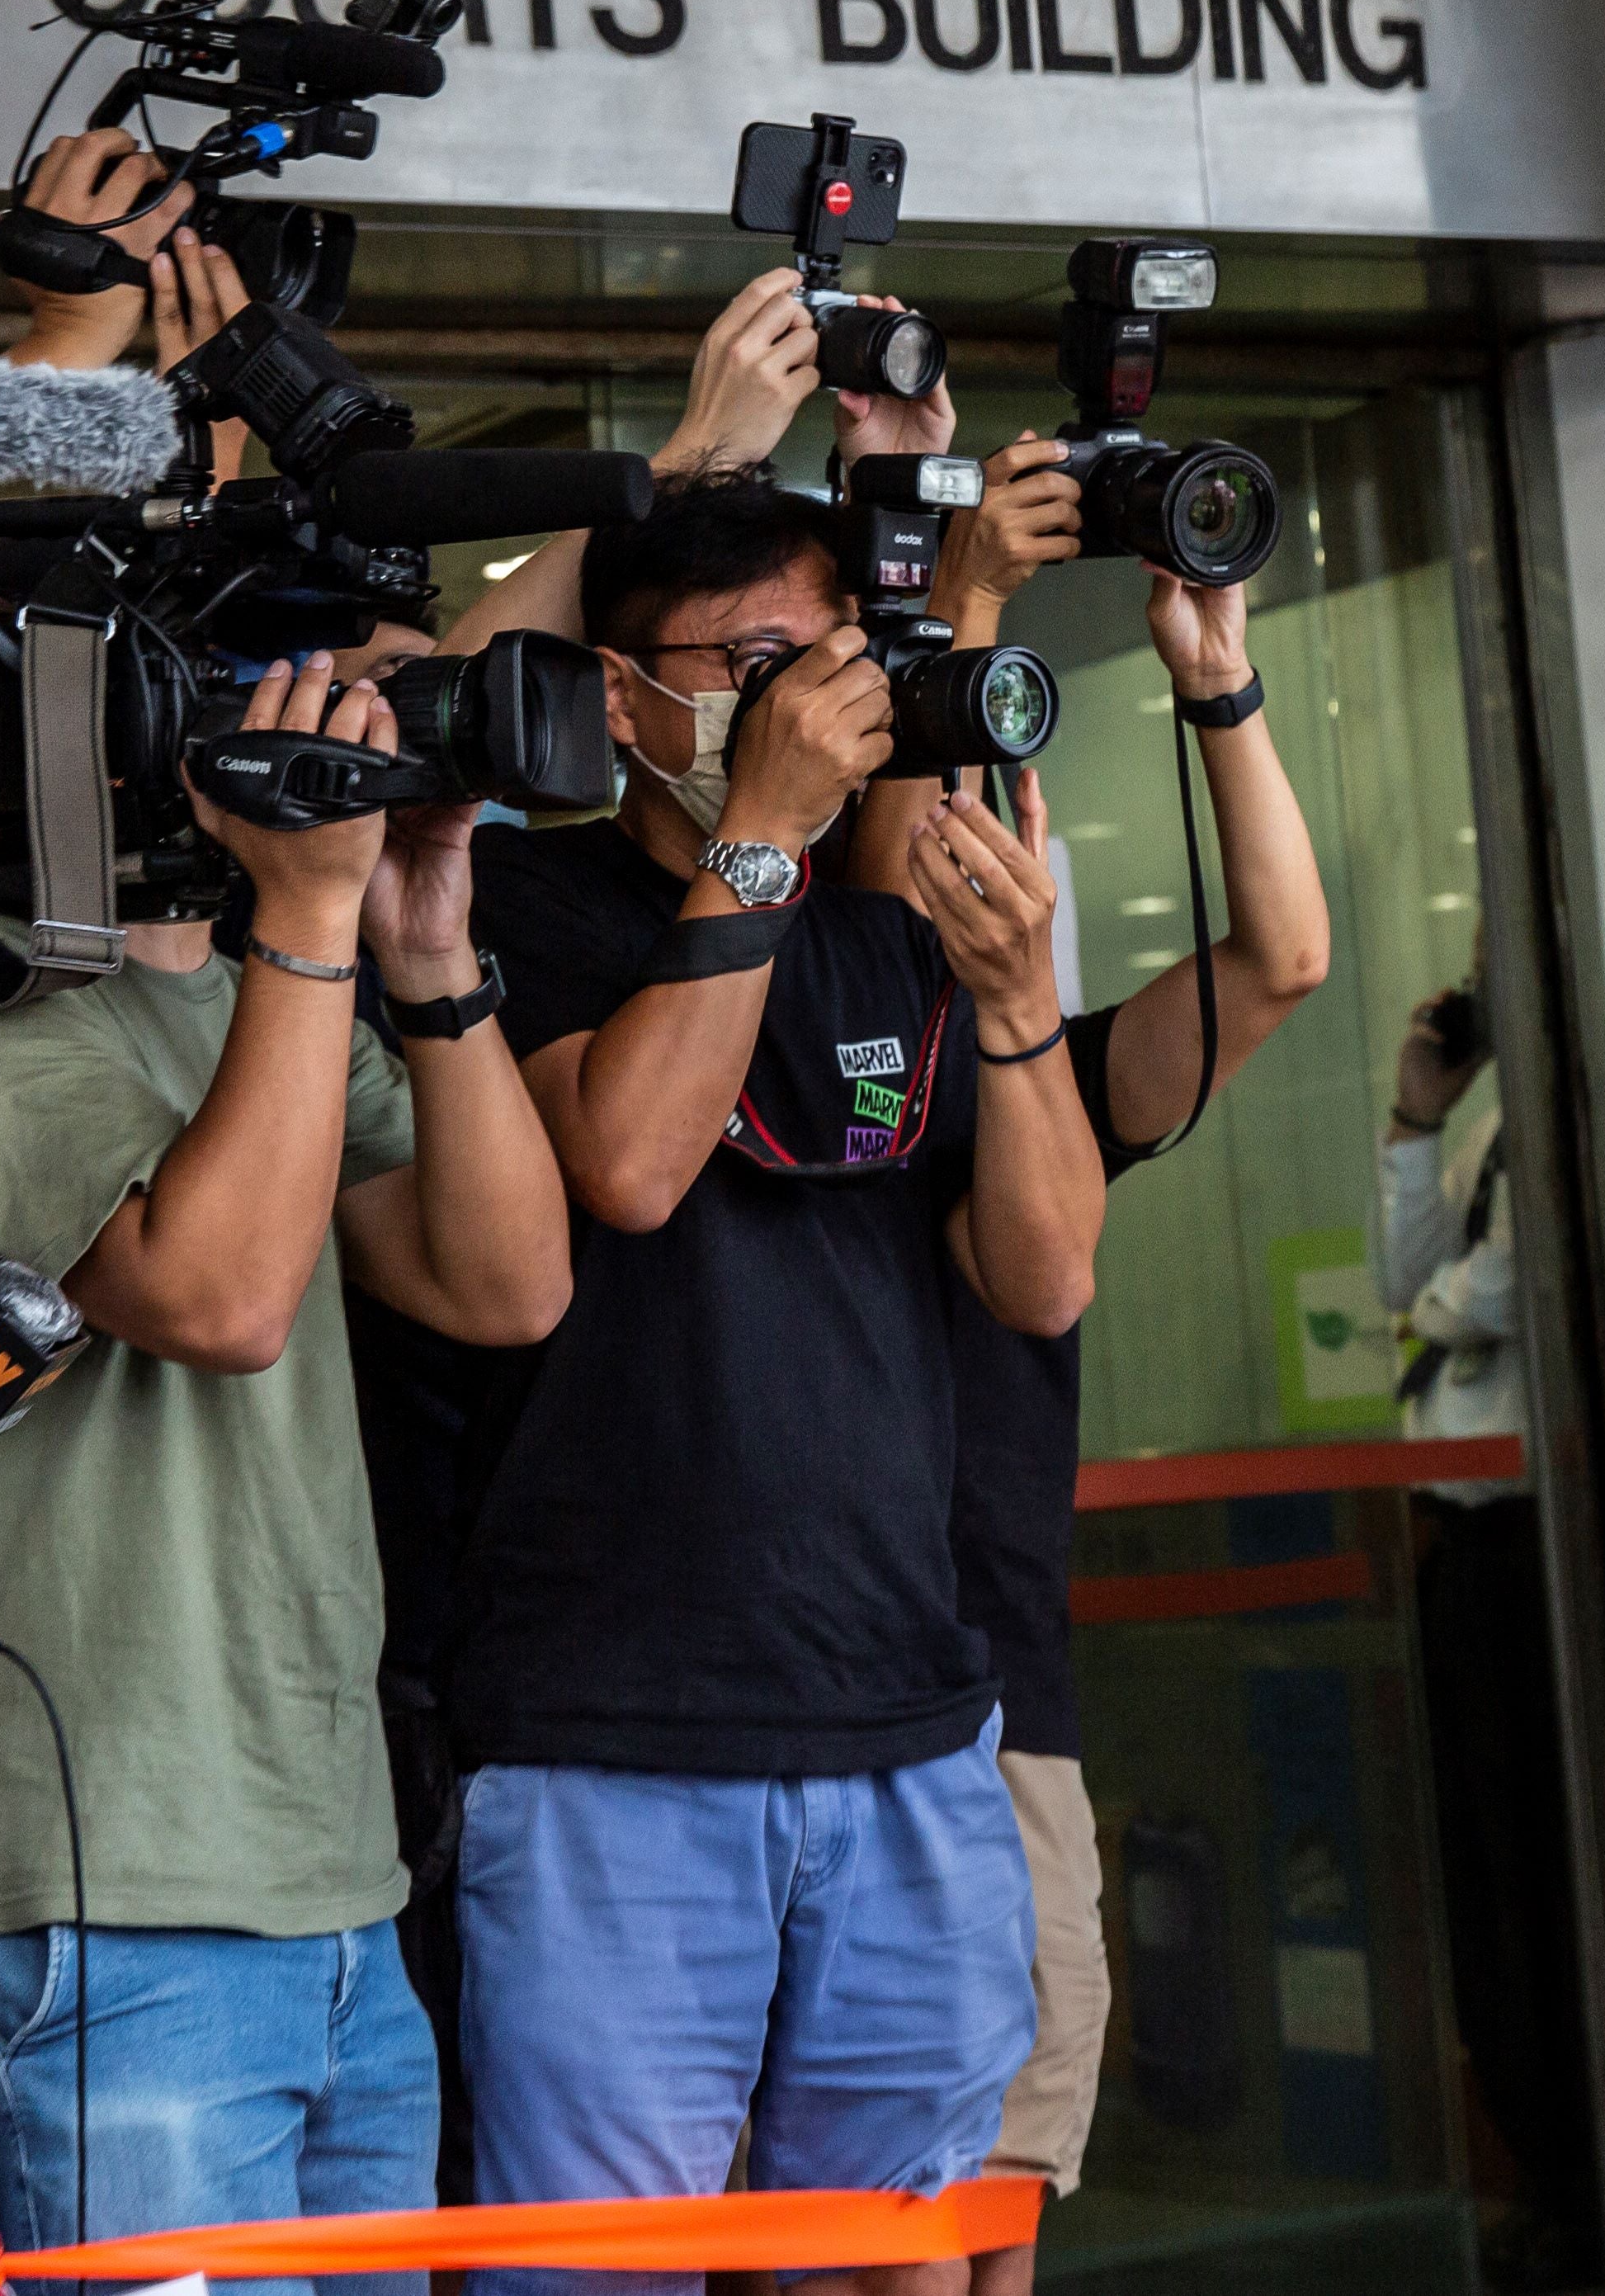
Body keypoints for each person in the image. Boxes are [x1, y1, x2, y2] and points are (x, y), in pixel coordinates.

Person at [0, 640, 576, 2272]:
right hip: (89, 1897)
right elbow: (220, 1295)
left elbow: (507, 1282)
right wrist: (307, 918)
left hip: (320, 1874)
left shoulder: (256, 999)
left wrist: (424, 941)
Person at [447, 465, 1101, 2296]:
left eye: (818, 654)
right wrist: (757, 838)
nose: (796, 695)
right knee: (602, 2268)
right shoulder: (518, 891)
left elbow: (1041, 1275)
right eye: (743, 659)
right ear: (622, 690)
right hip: (615, 1742)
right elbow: (633, 1162)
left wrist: (1019, 997)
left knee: (885, 2260)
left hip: (909, 1723)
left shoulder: (884, 917)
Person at [880, 437, 1335, 2290]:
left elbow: (1284, 956)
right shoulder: (741, 1062)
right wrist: (961, 594)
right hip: (820, 1721)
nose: (996, 850)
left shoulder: (1040, 1076)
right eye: (955, 809)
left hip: (1006, 1701)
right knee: (861, 2224)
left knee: (1001, 2216)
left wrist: (1209, 668)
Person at [1381, 941, 1603, 2285]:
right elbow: (1404, 1273)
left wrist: (1437, 1310)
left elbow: (1497, 1287)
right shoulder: (1493, 1135)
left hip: (1541, 1540)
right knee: (1486, 1880)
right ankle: (1549, 2174)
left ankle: (1584, 2177)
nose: (1475, 978)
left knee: (1543, 1872)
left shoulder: (1584, 1112)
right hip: (1464, 1541)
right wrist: (1419, 1116)